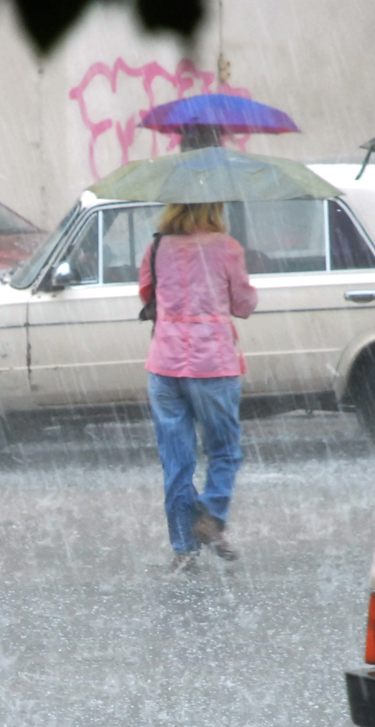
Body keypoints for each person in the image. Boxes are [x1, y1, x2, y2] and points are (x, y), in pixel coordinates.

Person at [139, 201, 257, 571]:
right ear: (214, 206)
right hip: (212, 364)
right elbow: (244, 304)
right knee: (223, 451)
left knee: (176, 461)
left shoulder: (157, 247)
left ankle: (183, 548)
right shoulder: (227, 247)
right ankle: (210, 514)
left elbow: (146, 294)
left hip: (165, 364)